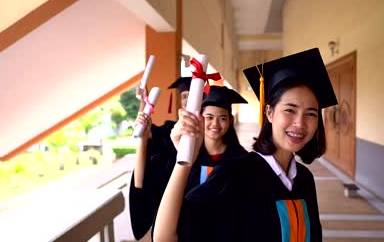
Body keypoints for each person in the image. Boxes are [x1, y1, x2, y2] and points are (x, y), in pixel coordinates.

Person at [153, 48, 338, 242]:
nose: (300, 123)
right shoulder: (234, 175)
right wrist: (184, 161)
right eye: (290, 110)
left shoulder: (305, 179)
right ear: (269, 113)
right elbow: (165, 238)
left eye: (311, 113)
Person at [130, 83, 248, 240]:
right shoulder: (183, 156)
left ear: (231, 121)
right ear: (200, 119)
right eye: (209, 117)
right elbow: (146, 184)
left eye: (222, 118)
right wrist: (142, 135)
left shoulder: (241, 160)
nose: (215, 124)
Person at [129, 76, 191, 240]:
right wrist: (144, 103)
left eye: (193, 95)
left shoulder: (211, 135)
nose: (188, 100)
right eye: (184, 96)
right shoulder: (168, 131)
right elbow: (145, 132)